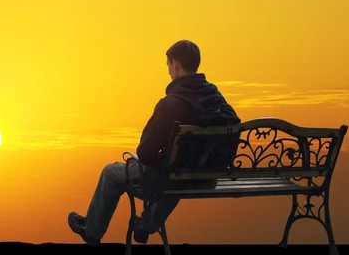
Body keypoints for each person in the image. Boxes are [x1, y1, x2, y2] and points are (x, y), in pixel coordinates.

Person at [67, 40, 240, 245]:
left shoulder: (170, 104)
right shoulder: (216, 97)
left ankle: (92, 231)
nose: (168, 71)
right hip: (208, 179)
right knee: (178, 169)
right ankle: (146, 225)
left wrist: (162, 157)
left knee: (112, 172)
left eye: (168, 65)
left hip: (175, 178)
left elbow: (146, 152)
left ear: (175, 64)